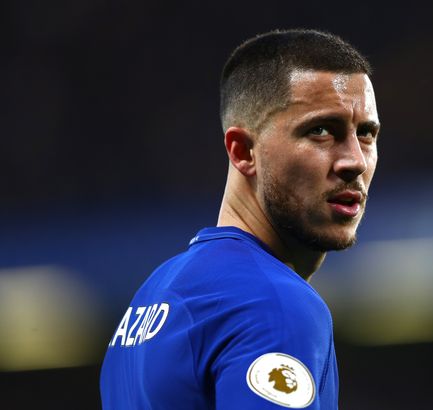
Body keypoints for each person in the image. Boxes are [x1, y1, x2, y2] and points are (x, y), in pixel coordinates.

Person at [100, 28, 380, 409]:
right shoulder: (275, 303)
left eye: (366, 134)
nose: (355, 161)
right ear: (243, 151)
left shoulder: (147, 302)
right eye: (321, 131)